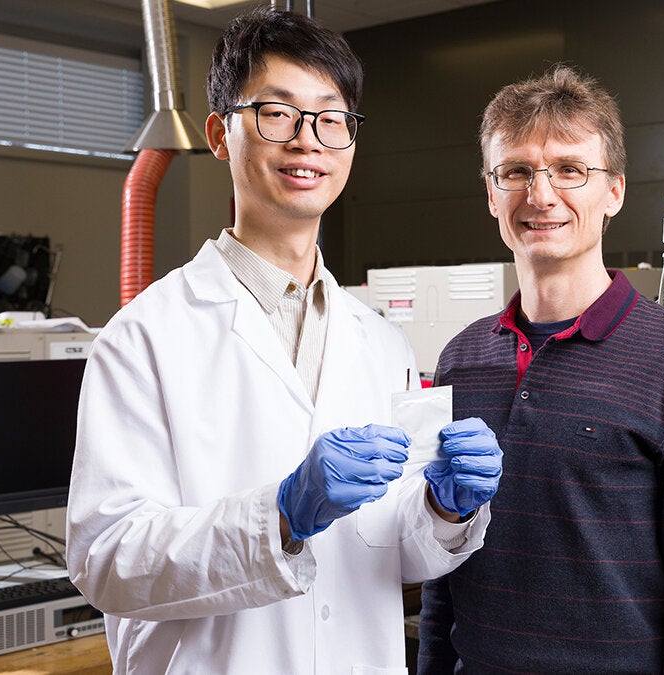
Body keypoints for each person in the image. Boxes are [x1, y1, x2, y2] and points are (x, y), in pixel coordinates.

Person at [65, 7, 501, 674]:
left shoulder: (381, 340)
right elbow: (106, 559)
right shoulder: (144, 337)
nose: (308, 141)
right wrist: (281, 515)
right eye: (277, 113)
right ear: (219, 133)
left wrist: (444, 507)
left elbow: (389, 549)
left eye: (331, 119)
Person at [416, 65, 664, 672]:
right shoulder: (462, 359)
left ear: (614, 192)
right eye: (516, 171)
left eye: (570, 170)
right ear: (491, 194)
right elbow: (443, 563)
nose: (541, 195)